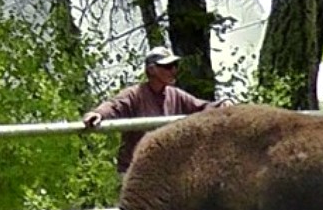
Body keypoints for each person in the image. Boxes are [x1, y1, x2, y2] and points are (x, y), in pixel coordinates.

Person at [82, 46, 228, 178]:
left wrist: (222, 106)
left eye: (175, 66)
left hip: (166, 172)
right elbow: (114, 106)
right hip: (136, 172)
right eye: (168, 66)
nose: (173, 70)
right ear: (152, 70)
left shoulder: (175, 95)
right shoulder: (135, 94)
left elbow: (201, 106)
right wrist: (98, 114)